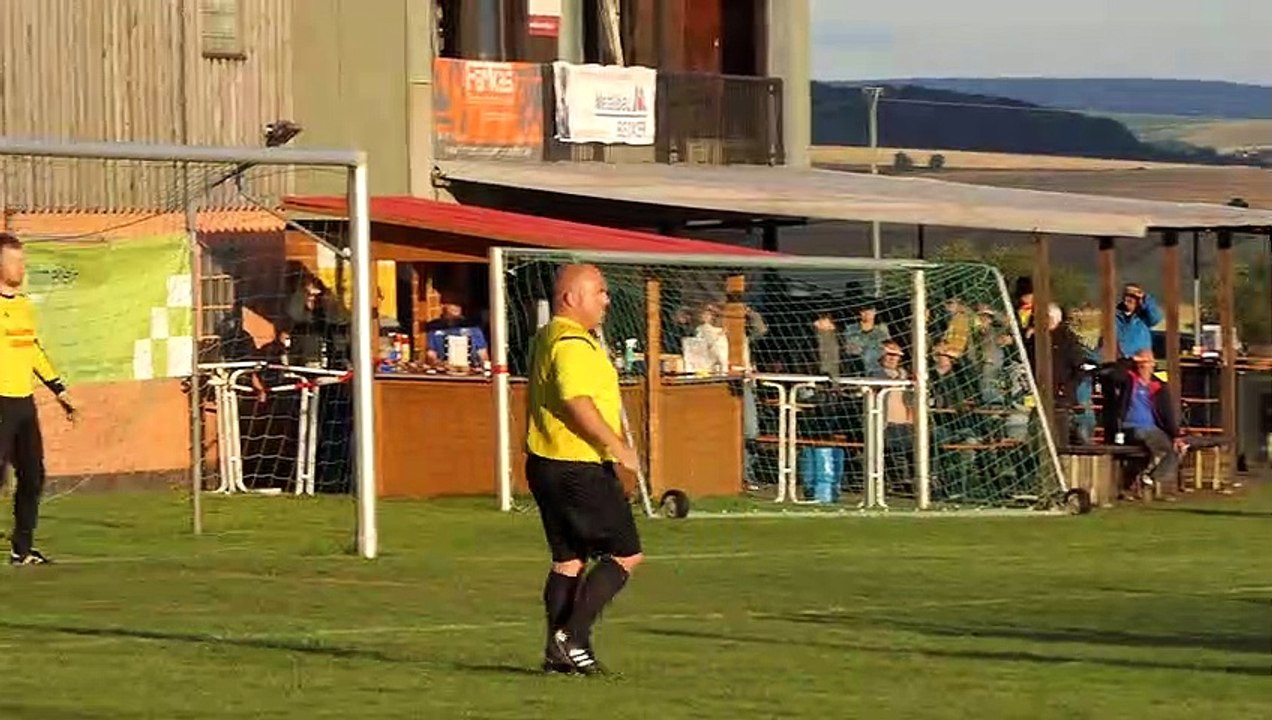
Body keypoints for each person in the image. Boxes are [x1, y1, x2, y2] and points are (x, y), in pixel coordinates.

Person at [524, 264, 643, 676]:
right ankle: (571, 637)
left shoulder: (547, 336)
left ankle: (559, 654)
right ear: (571, 298)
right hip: (576, 463)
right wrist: (617, 447)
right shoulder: (572, 342)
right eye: (600, 292)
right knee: (626, 554)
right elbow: (575, 400)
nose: (607, 301)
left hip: (544, 462)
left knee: (569, 560)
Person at [0, 233, 76, 565]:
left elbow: (32, 350)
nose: (21, 266)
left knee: (33, 475)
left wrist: (60, 390)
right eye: (14, 260)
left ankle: (22, 550)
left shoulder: (25, 306)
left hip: (23, 402)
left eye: (22, 260)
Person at [1099, 348, 1187, 488]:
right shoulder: (1128, 379)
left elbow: (1166, 412)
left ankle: (1151, 476)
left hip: (1152, 428)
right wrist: (1130, 361)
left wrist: (1176, 435)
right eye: (1142, 362)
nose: (1145, 366)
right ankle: (1147, 477)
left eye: (1148, 362)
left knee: (1175, 449)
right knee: (1161, 447)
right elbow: (1106, 373)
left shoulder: (1158, 385)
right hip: (1129, 427)